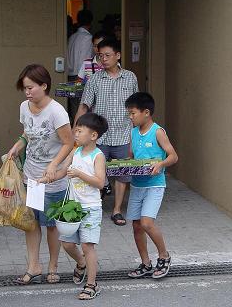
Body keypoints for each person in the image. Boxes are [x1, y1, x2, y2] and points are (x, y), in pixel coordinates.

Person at [8, 64, 74, 285]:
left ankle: (53, 266)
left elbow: (69, 142)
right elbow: (27, 133)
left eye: (31, 87)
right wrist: (17, 146)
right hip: (31, 177)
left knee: (52, 225)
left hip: (53, 179)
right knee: (32, 223)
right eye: (24, 88)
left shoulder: (56, 112)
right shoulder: (24, 107)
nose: (27, 92)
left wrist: (55, 164)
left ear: (44, 86)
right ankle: (33, 266)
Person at [75, 37, 138, 226]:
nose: (103, 59)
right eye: (100, 56)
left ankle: (117, 210)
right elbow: (84, 106)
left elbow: (135, 107)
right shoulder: (94, 79)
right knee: (95, 173)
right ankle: (95, 206)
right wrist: (75, 130)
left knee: (122, 173)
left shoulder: (130, 77)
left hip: (124, 133)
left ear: (118, 56)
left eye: (107, 55)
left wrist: (138, 133)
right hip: (99, 135)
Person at [124, 92, 178, 279]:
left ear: (146, 112)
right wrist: (122, 165)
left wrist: (161, 164)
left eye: (133, 113)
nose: (130, 117)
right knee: (137, 226)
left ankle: (164, 256)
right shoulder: (132, 132)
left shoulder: (157, 131)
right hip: (137, 185)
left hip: (155, 185)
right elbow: (131, 157)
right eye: (129, 114)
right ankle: (145, 263)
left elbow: (173, 156)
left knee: (147, 223)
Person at [55, 112, 108, 300]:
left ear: (93, 135)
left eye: (79, 131)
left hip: (91, 208)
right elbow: (63, 171)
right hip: (73, 207)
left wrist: (78, 174)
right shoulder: (75, 151)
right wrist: (47, 178)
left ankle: (92, 285)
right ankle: (81, 264)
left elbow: (100, 182)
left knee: (88, 246)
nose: (75, 134)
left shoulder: (98, 156)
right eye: (75, 130)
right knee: (67, 243)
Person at [67, 9, 94, 121]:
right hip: (81, 77)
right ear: (91, 22)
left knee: (74, 110)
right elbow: (87, 61)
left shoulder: (72, 37)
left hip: (70, 76)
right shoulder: (88, 38)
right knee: (84, 109)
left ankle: (76, 134)